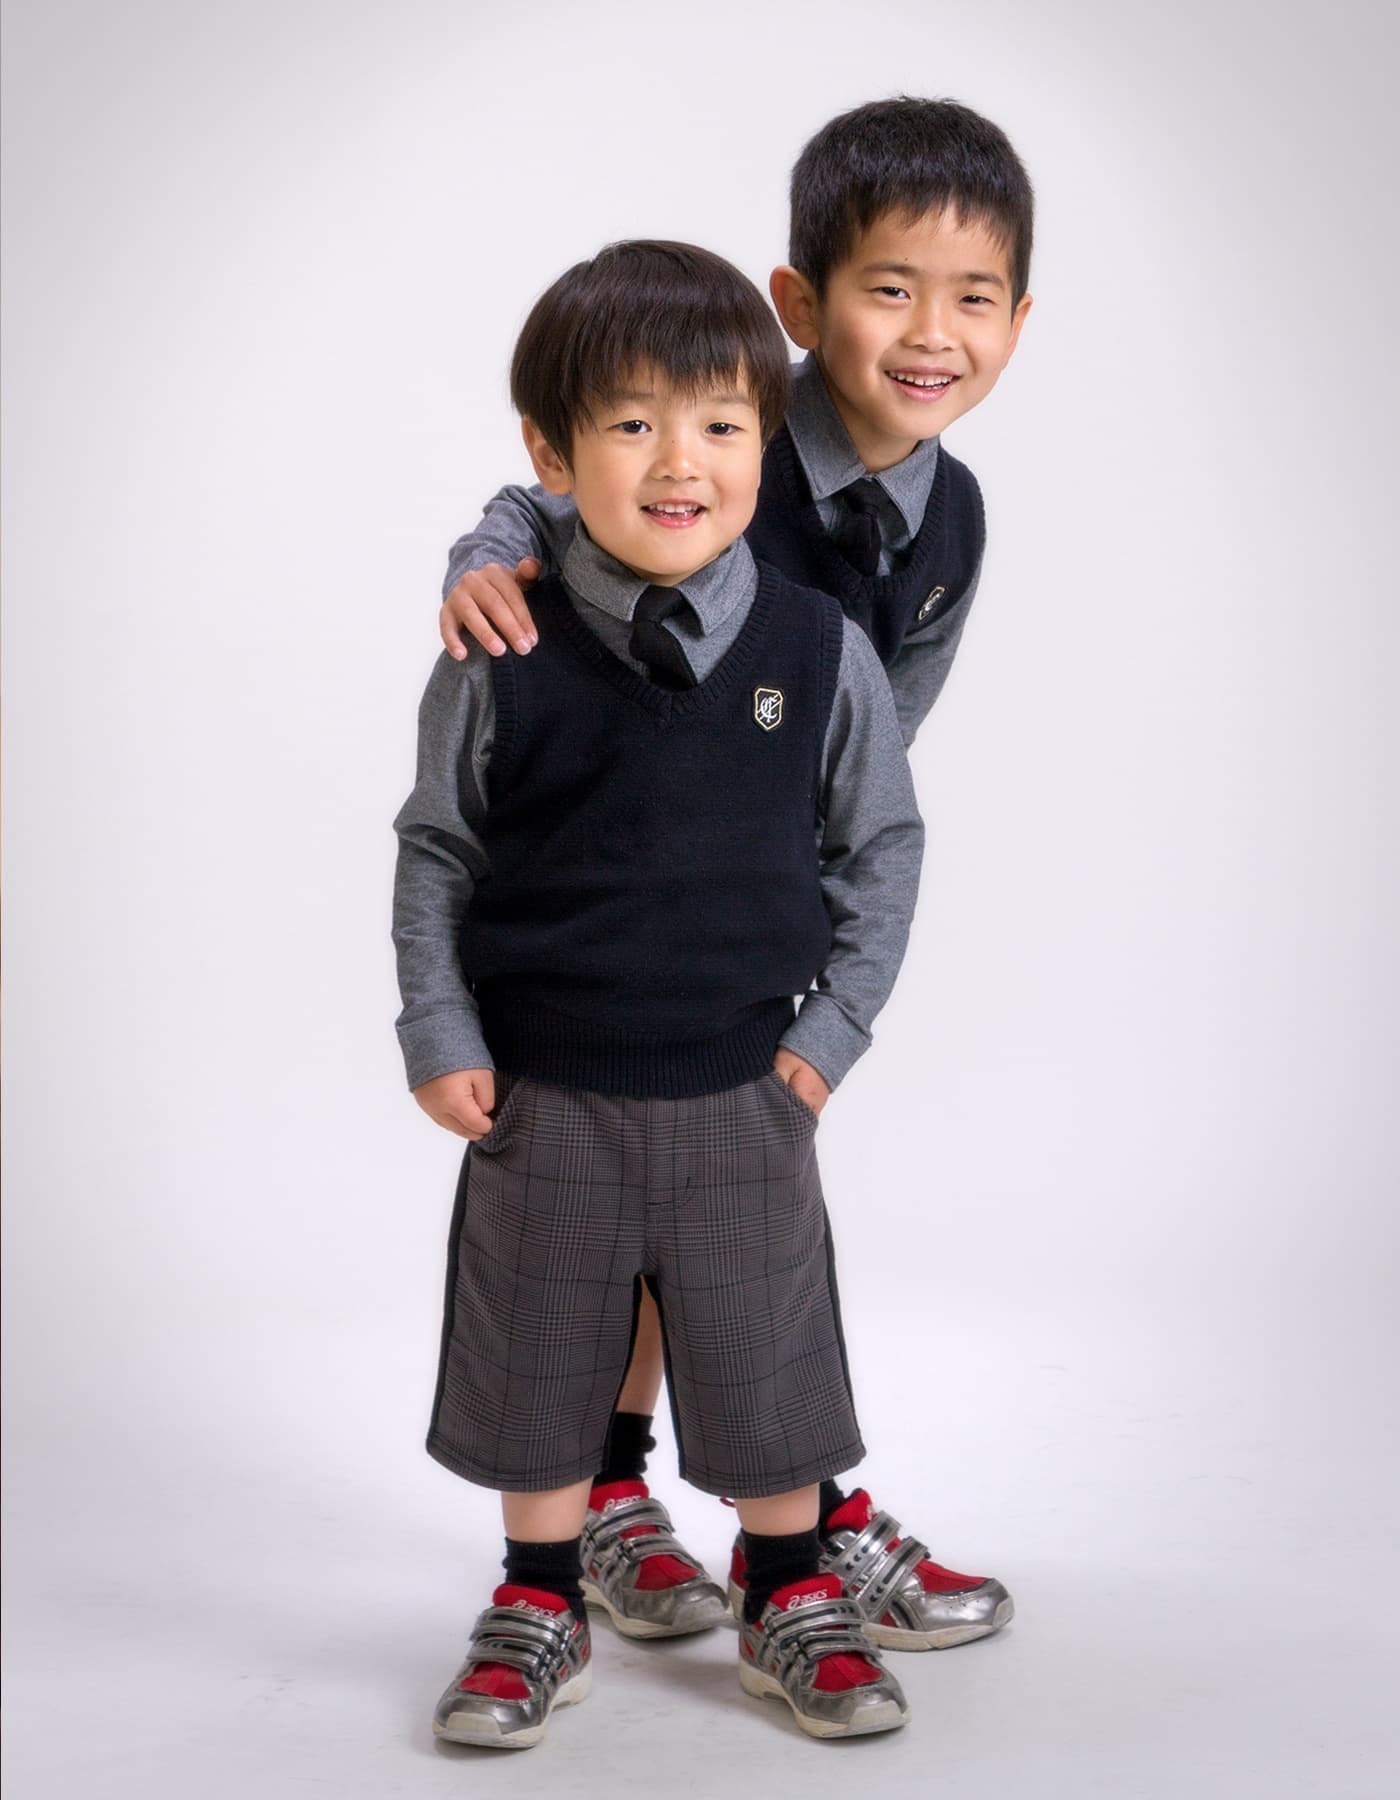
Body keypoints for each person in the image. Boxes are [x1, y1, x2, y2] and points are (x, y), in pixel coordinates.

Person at [431, 96, 1033, 1651]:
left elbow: (888, 741)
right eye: (889, 289)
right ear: (802, 308)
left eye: (972, 298)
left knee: (727, 1226)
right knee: (634, 1196)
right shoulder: (727, 427)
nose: (930, 334)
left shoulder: (955, 515)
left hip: (757, 909)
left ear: (1018, 320)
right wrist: (482, 554)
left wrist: (824, 968)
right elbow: (554, 489)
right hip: (613, 904)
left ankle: (759, 1510)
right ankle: (646, 1497)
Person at [394, 240, 925, 1745]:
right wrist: (439, 1029)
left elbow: (880, 846)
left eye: (721, 423)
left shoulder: (817, 647)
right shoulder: (500, 644)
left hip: (744, 1083)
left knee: (767, 1349)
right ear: (552, 455)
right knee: (539, 1351)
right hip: (543, 1085)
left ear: (767, 436)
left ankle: (790, 1588)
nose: (680, 460)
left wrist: (827, 1039)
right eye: (632, 424)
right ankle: (540, 1592)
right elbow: (439, 846)